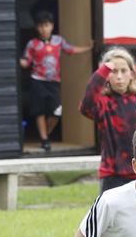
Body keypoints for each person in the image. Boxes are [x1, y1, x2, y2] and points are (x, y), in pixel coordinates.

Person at [81, 47, 136, 193]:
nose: (119, 76)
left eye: (123, 71)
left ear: (132, 74)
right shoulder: (103, 102)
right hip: (112, 174)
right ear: (106, 76)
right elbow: (86, 106)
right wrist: (104, 69)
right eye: (114, 72)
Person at [18, 10, 86, 151]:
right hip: (37, 80)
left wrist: (89, 47)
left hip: (54, 81)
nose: (44, 29)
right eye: (41, 26)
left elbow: (71, 49)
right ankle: (44, 139)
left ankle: (46, 134)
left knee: (57, 111)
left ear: (52, 26)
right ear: (37, 28)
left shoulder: (58, 41)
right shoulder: (32, 44)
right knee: (40, 111)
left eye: (47, 25)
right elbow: (26, 61)